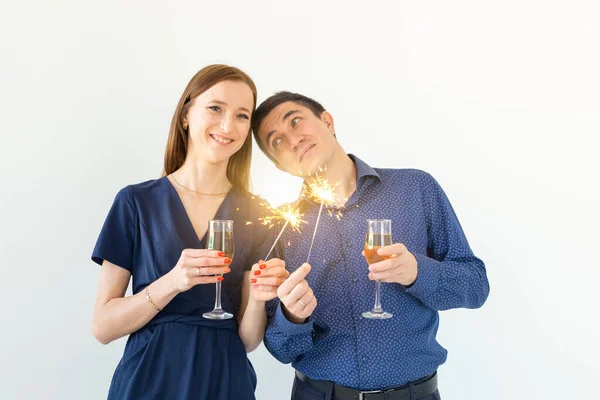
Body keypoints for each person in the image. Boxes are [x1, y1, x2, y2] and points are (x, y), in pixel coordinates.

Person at [251, 91, 490, 400]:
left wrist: (417, 272)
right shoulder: (280, 227)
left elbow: (475, 287)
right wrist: (293, 318)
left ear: (327, 121)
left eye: (296, 121)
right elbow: (281, 349)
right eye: (277, 142)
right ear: (280, 166)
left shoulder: (415, 188)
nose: (293, 139)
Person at [90, 65, 287, 400]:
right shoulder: (136, 202)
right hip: (149, 381)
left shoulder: (260, 213)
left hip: (225, 381)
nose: (228, 126)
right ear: (185, 115)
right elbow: (103, 327)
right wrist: (172, 282)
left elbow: (249, 340)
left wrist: (256, 297)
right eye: (215, 108)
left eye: (242, 115)